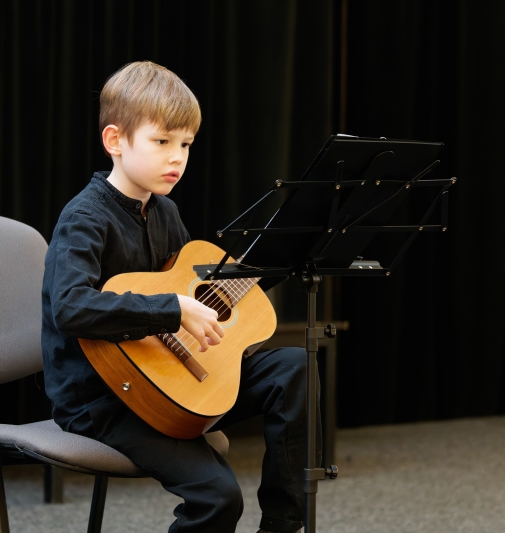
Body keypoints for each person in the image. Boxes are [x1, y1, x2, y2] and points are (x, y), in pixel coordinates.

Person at [41, 61, 320, 533]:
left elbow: (188, 293)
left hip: (169, 375)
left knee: (294, 366)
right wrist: (171, 311)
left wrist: (246, 283)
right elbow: (71, 307)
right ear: (115, 141)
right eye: (162, 142)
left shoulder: (166, 212)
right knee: (218, 498)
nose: (178, 158)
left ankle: (282, 524)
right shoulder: (84, 218)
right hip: (103, 399)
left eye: (186, 144)